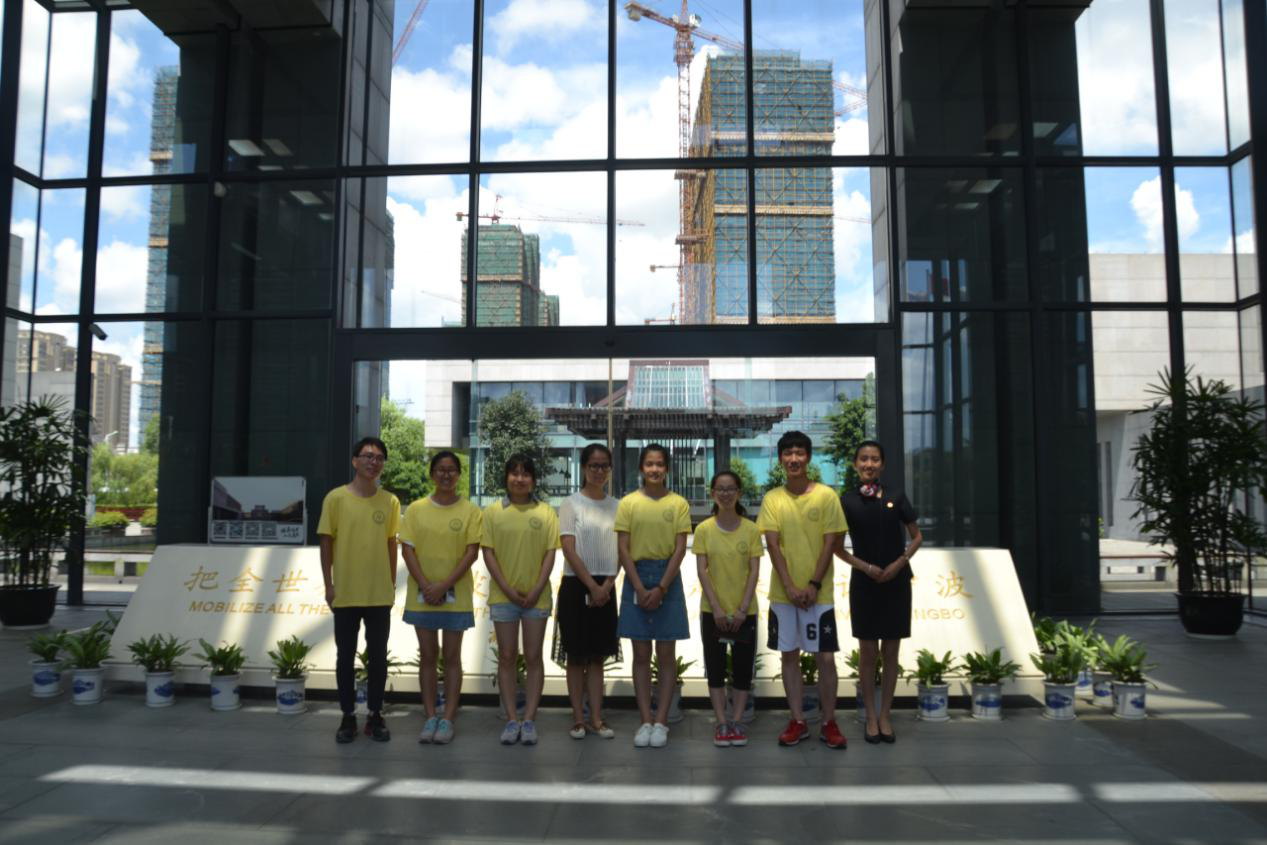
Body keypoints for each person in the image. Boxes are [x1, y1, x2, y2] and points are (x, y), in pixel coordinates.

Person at [757, 430, 848, 749]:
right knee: (789, 656)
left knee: (825, 658)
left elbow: (830, 543)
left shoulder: (826, 496)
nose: (793, 459)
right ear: (781, 459)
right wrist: (790, 586)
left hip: (819, 595)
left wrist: (812, 584)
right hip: (784, 595)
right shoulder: (773, 498)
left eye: (799, 453)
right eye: (788, 453)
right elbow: (772, 545)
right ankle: (797, 720)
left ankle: (829, 721)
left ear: (808, 457)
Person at [835, 440, 922, 744]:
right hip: (864, 582)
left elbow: (917, 536)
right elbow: (837, 549)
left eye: (874, 459)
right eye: (863, 459)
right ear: (855, 464)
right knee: (868, 652)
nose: (869, 464)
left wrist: (899, 563)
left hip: (896, 581)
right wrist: (867, 568)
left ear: (882, 464)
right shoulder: (846, 500)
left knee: (891, 651)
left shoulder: (896, 496)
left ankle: (886, 714)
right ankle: (870, 716)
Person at [318, 436, 401, 744]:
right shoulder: (335, 499)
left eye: (379, 457)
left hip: (379, 594)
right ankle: (348, 716)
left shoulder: (390, 502)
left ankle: (375, 714)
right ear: (355, 461)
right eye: (367, 456)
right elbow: (326, 542)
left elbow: (391, 544)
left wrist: (390, 583)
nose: (373, 462)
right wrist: (329, 585)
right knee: (345, 656)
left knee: (378, 657)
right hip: (346, 593)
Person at [399, 450, 481, 745]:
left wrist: (443, 585)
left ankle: (448, 717)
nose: (446, 475)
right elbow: (407, 549)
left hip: (455, 595)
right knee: (428, 656)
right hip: (422, 596)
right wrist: (426, 585)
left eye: (451, 470)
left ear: (459, 475)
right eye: (440, 470)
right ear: (432, 474)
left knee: (452, 657)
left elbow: (471, 553)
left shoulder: (470, 511)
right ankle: (430, 714)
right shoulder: (416, 510)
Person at [615, 443, 692, 749]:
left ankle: (661, 721)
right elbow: (623, 548)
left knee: (666, 654)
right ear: (641, 468)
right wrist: (638, 586)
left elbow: (680, 549)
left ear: (667, 468)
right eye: (649, 464)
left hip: (667, 578)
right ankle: (645, 720)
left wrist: (661, 587)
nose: (655, 469)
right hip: (636, 575)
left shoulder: (678, 503)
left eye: (660, 464)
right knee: (641, 655)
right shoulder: (628, 503)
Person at [481, 454, 560, 746]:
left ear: (534, 480)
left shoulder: (546, 512)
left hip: (537, 598)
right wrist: (508, 589)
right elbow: (488, 553)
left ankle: (529, 720)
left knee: (534, 656)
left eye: (526, 474)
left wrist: (537, 588)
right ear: (506, 478)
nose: (519, 479)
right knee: (506, 656)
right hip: (504, 597)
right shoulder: (492, 512)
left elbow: (550, 553)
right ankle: (511, 719)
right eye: (514, 473)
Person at [555, 443, 620, 740]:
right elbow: (569, 549)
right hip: (576, 585)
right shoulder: (570, 504)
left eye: (604, 465)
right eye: (594, 465)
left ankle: (596, 718)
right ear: (583, 468)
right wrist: (592, 586)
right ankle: (578, 719)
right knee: (576, 656)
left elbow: (622, 550)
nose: (599, 471)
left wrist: (606, 586)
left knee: (597, 657)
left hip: (606, 587)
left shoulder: (618, 506)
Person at [693, 470, 761, 748]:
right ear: (712, 493)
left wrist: (742, 609)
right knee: (716, 668)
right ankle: (721, 723)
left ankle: (737, 722)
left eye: (730, 488)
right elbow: (702, 571)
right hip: (713, 612)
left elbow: (754, 571)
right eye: (720, 489)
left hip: (746, 612)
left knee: (743, 670)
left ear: (739, 493)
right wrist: (717, 609)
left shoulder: (751, 529)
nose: (725, 493)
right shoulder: (704, 529)